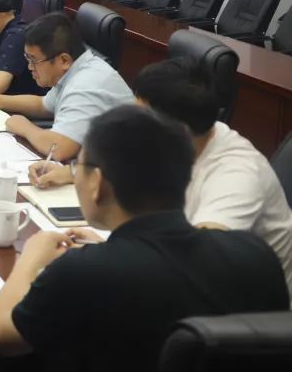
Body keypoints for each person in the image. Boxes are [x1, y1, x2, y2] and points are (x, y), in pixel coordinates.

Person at [0, 106, 288, 371]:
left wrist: (29, 257)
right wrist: (111, 250)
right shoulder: (255, 254)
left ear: (97, 183)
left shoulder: (82, 272)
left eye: (79, 166)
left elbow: (0, 337)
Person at [30, 58, 292, 299]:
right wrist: (75, 172)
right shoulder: (185, 140)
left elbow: (197, 260)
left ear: (177, 131)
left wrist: (118, 255)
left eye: (141, 119)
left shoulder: (237, 175)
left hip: (247, 314)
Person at [0, 13, 133, 160]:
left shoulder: (86, 84)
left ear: (63, 60)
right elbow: (42, 104)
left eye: (34, 60)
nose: (29, 67)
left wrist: (25, 127)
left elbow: (59, 148)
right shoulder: (76, 70)